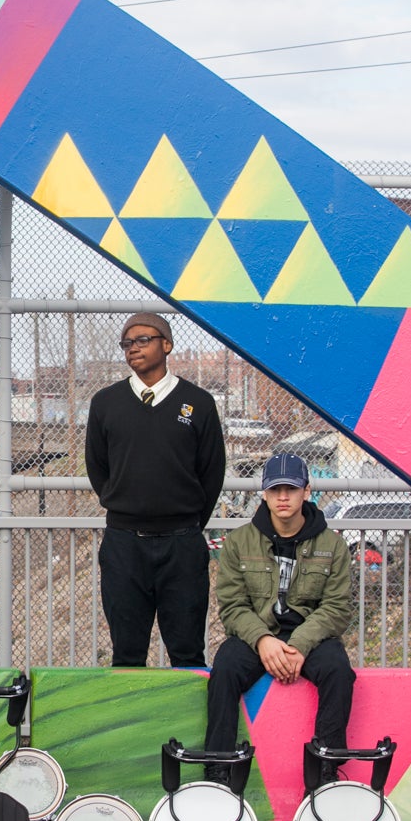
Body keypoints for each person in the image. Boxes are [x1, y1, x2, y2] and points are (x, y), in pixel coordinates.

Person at [85, 312, 225, 667]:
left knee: (187, 652)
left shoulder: (199, 403)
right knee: (127, 652)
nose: (134, 348)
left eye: (143, 340)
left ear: (167, 344)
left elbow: (212, 473)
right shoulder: (106, 403)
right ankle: (131, 722)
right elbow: (97, 467)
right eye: (127, 343)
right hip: (124, 544)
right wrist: (127, 504)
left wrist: (184, 519)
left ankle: (190, 724)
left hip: (182, 544)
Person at [204, 453, 355, 777]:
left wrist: (299, 644)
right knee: (225, 669)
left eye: (290, 488)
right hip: (258, 633)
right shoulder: (239, 542)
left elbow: (337, 607)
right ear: (264, 493)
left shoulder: (332, 545)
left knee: (338, 671)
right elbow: (232, 606)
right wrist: (262, 641)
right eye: (275, 490)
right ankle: (218, 770)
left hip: (310, 636)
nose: (283, 497)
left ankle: (326, 770)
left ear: (307, 491)